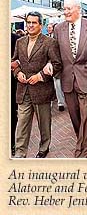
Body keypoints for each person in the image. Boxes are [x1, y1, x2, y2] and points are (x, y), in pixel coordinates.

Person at [44, 0, 87, 158]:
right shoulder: (58, 28)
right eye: (64, 9)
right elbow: (54, 52)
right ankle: (82, 139)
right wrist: (50, 62)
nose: (66, 12)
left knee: (86, 115)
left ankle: (82, 151)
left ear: (79, 9)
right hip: (67, 79)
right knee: (74, 115)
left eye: (69, 9)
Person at [11, 11, 62, 158]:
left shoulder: (49, 42)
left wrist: (40, 76)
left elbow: (57, 64)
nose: (31, 25)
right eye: (29, 22)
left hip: (42, 90)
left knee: (44, 124)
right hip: (23, 90)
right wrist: (17, 73)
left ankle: (44, 148)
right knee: (22, 125)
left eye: (34, 22)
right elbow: (15, 62)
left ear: (41, 24)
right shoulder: (20, 42)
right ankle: (20, 153)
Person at [46, 23, 65, 112]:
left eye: (50, 27)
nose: (48, 29)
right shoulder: (48, 38)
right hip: (50, 66)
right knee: (53, 85)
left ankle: (60, 103)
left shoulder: (60, 39)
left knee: (58, 84)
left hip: (59, 66)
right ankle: (52, 102)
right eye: (48, 27)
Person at [10, 32, 21, 156]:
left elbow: (22, 58)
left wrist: (16, 63)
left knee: (11, 114)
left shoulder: (17, 40)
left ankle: (12, 142)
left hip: (10, 83)